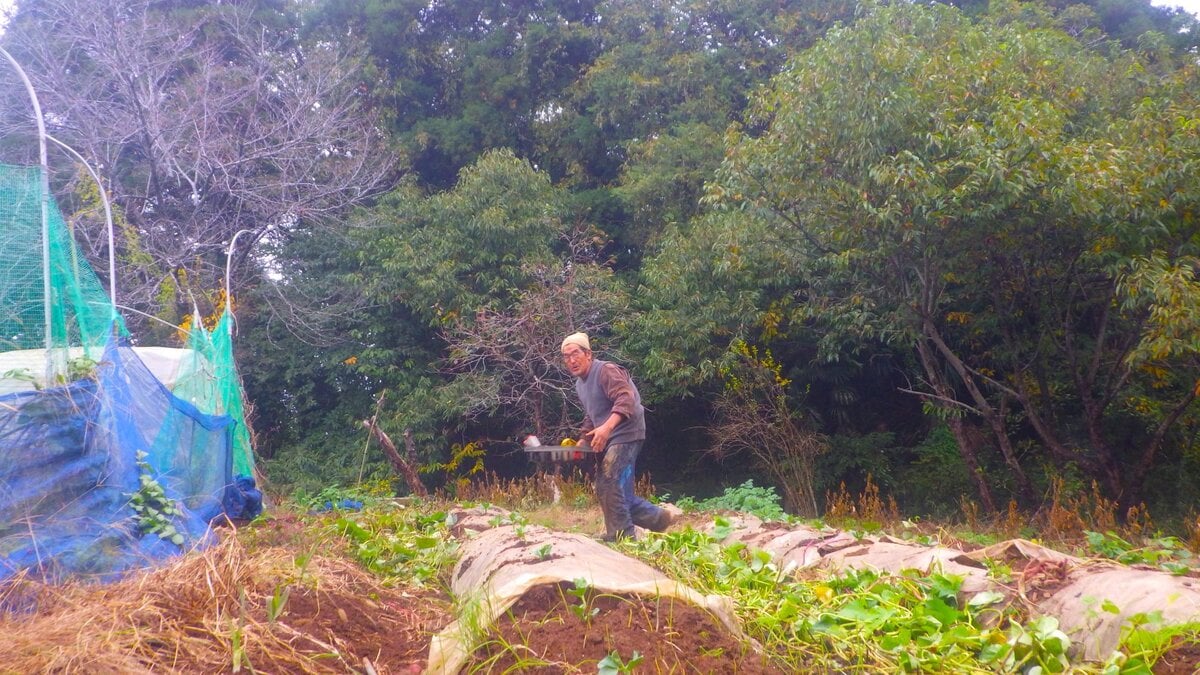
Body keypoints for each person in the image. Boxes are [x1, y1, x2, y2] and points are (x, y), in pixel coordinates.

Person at [561, 332, 671, 541]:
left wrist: (607, 428)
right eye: (566, 357)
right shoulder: (579, 384)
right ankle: (658, 519)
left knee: (610, 481)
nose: (571, 360)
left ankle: (624, 537)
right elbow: (593, 415)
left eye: (575, 354)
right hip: (611, 435)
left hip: (627, 432)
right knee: (610, 489)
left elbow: (625, 398)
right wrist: (583, 439)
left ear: (588, 354)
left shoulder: (606, 371)